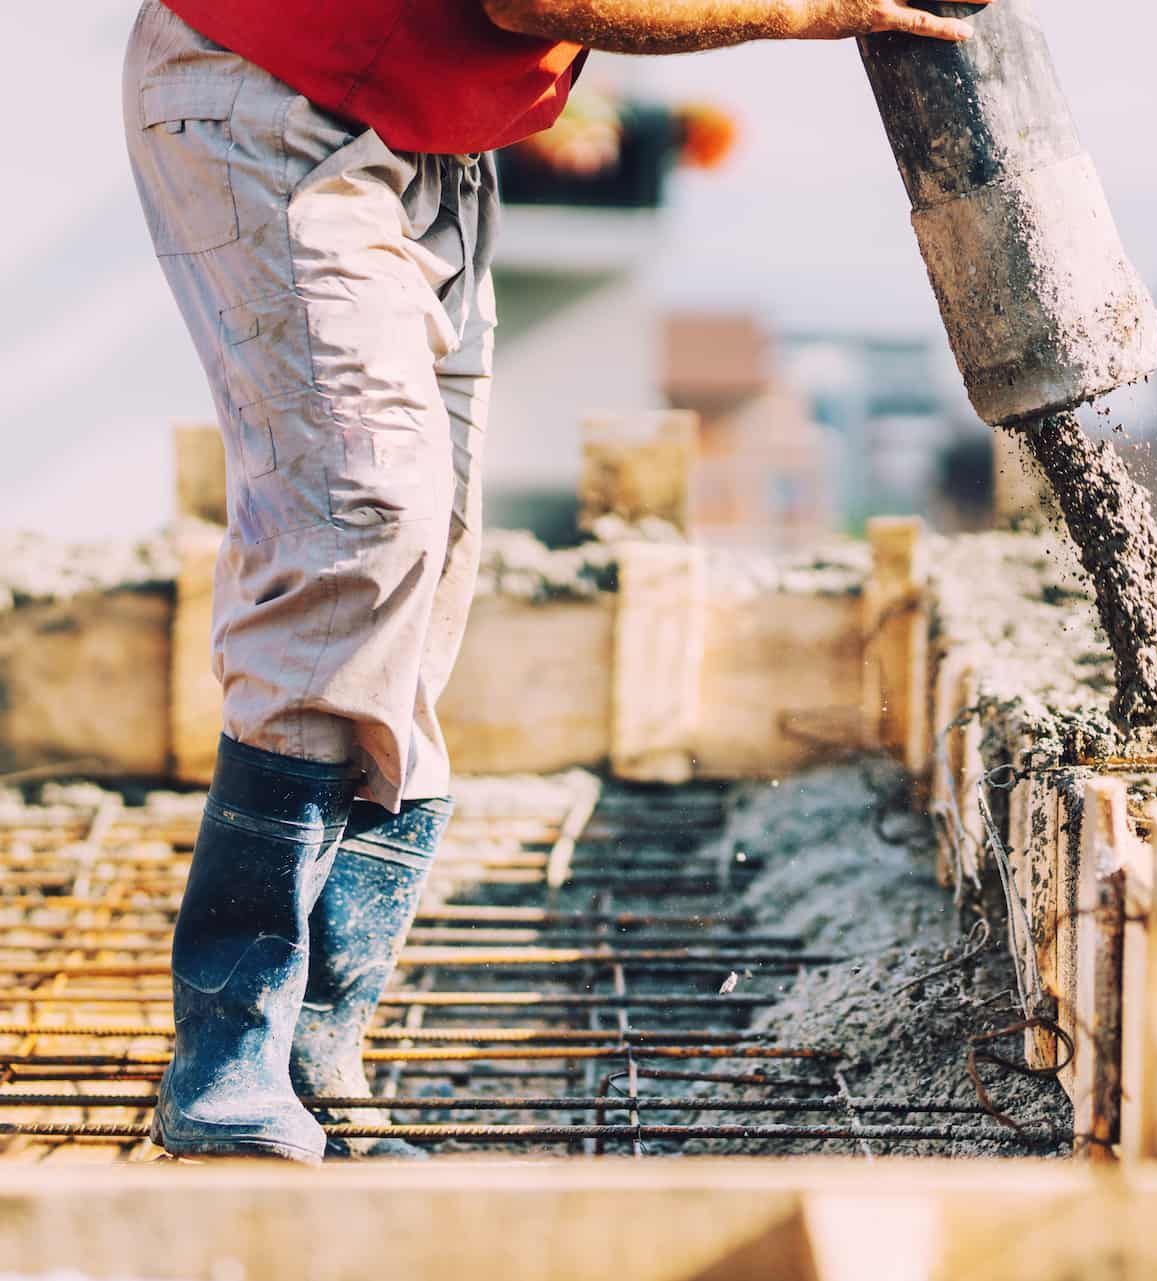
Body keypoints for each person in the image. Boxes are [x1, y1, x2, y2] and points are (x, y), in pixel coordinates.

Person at [123, 0, 989, 1163]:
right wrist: (817, 9)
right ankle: (227, 1061)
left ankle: (316, 1061)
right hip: (267, 91)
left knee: (424, 574)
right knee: (364, 522)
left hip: (420, 138)